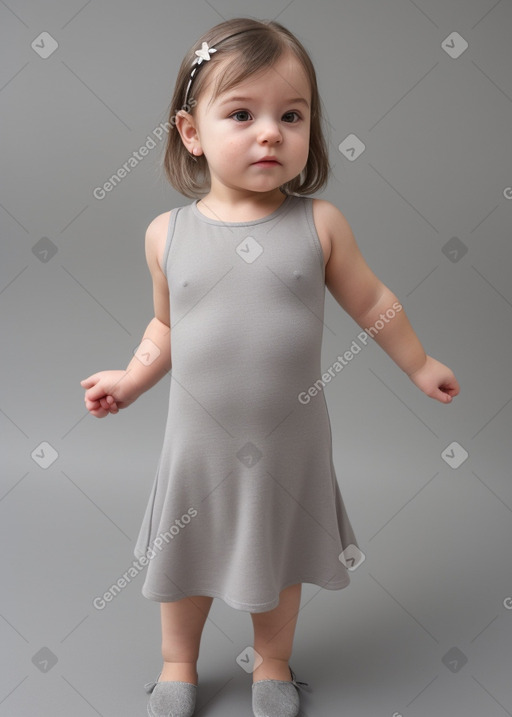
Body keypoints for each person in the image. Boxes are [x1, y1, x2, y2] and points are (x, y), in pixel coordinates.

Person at [80, 17, 460, 717]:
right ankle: (178, 660)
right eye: (242, 114)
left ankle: (273, 661)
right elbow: (167, 324)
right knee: (185, 554)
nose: (270, 133)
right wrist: (130, 378)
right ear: (191, 132)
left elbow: (372, 300)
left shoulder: (321, 225)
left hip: (291, 442)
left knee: (280, 555)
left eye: (292, 115)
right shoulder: (168, 234)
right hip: (197, 444)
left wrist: (418, 362)